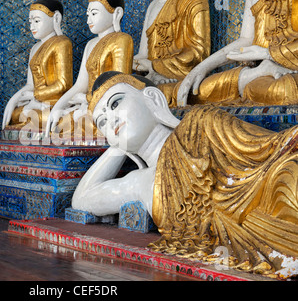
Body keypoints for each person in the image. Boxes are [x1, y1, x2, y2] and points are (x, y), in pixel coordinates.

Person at [72, 71, 298, 277]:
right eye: (102, 122)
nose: (110, 120)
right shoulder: (139, 182)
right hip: (252, 232)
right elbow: (82, 200)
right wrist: (117, 145)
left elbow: (268, 148)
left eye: (116, 103)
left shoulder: (201, 121)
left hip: (272, 189)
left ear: (152, 98)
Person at [177, 0, 298, 106]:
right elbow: (246, 39)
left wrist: (267, 54)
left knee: (285, 90)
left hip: (290, 69)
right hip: (260, 72)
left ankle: (257, 74)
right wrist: (202, 67)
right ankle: (258, 72)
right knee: (200, 92)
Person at [45, 0, 133, 140]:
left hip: (110, 106)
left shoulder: (122, 40)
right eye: (87, 15)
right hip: (88, 104)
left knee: (87, 122)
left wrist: (86, 100)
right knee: (58, 123)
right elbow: (80, 85)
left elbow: (119, 86)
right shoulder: (90, 44)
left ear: (116, 13)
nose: (89, 20)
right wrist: (57, 107)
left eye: (94, 13)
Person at [2, 0, 73, 132]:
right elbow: (31, 84)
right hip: (36, 102)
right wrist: (13, 100)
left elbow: (63, 84)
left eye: (36, 21)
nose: (31, 27)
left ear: (56, 18)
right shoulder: (34, 48)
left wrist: (35, 95)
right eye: (30, 22)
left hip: (55, 102)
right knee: (16, 114)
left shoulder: (62, 43)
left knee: (42, 117)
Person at [133, 0, 211, 107]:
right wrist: (131, 65)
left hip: (179, 79)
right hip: (152, 76)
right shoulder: (152, 6)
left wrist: (155, 66)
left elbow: (198, 54)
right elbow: (143, 55)